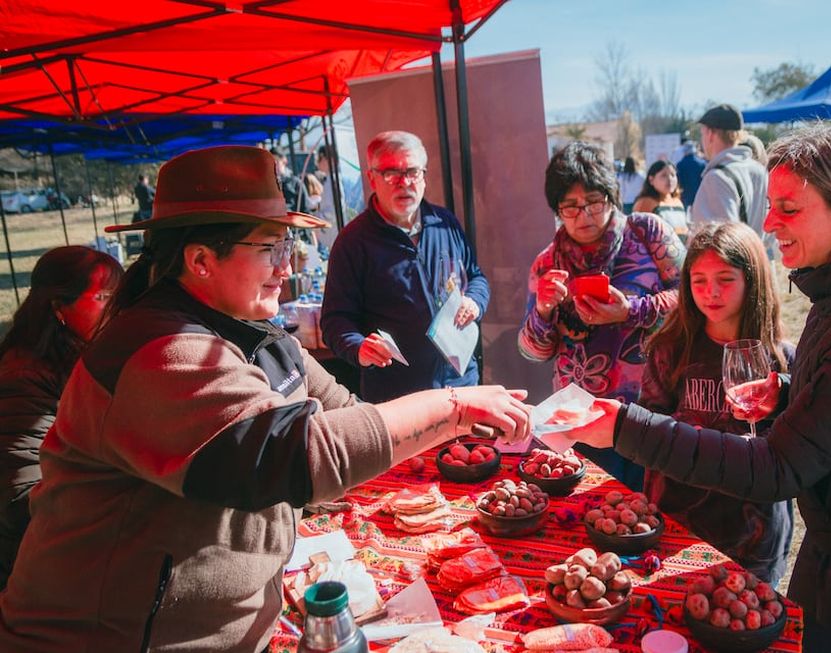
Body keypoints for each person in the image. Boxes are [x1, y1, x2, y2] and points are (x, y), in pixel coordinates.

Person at [0, 145, 530, 653]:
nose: (288, 265)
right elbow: (295, 453)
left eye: (288, 247)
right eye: (271, 248)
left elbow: (347, 414)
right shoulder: (160, 351)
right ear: (202, 259)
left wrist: (461, 425)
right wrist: (453, 407)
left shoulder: (259, 334)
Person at [567, 123, 831, 653]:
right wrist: (784, 389)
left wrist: (624, 427)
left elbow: (777, 468)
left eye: (789, 208)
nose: (768, 221)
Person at [518, 141, 686, 491]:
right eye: (570, 207)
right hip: (579, 417)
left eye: (594, 202)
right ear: (557, 209)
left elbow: (692, 299)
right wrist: (544, 310)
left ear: (611, 196)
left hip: (650, 410)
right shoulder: (547, 262)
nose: (585, 216)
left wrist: (631, 311)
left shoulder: (647, 233)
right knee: (593, 519)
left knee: (650, 514)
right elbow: (531, 351)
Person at [640, 222, 794, 585]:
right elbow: (647, 428)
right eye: (698, 280)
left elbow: (794, 453)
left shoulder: (782, 362)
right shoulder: (669, 350)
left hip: (752, 533)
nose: (711, 292)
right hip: (681, 521)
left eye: (725, 279)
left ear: (753, 280)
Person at [321, 131, 489, 402]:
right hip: (399, 398)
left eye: (412, 171)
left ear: (423, 175)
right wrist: (359, 347)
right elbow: (334, 321)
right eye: (391, 173)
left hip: (462, 385)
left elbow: (476, 277)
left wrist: (475, 301)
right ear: (372, 179)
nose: (404, 182)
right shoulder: (353, 242)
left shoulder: (445, 223)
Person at [0, 246, 122, 590]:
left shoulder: (82, 359)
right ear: (58, 308)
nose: (117, 308)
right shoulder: (23, 378)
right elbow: (18, 496)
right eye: (103, 297)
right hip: (39, 572)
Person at [690, 104, 768, 238]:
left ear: (710, 134)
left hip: (736, 257)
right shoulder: (760, 171)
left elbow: (722, 241)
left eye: (702, 133)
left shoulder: (717, 178)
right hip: (762, 256)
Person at [632, 160, 688, 238]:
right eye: (663, 175)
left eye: (673, 175)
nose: (669, 179)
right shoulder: (645, 203)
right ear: (651, 180)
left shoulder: (678, 202)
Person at [271, 147, 308, 213]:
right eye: (271, 163)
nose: (273, 166)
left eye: (276, 162)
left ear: (284, 160)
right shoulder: (268, 185)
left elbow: (306, 209)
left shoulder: (296, 183)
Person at [676, 141, 706, 210]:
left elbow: (679, 181)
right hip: (699, 195)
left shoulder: (680, 165)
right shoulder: (702, 164)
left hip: (685, 196)